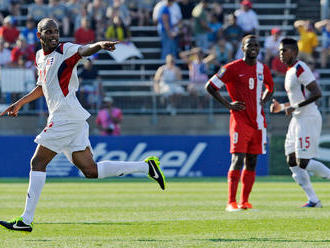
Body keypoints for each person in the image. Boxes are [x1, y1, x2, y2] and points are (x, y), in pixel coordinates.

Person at [0, 18, 166, 233]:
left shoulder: (65, 49)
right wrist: (19, 103)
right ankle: (147, 167)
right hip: (69, 117)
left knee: (37, 162)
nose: (53, 35)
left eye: (56, 31)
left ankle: (26, 220)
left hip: (65, 116)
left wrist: (99, 45)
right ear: (39, 35)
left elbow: (84, 50)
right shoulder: (40, 56)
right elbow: (42, 87)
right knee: (90, 170)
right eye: (48, 32)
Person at [205, 35, 274, 212]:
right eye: (249, 45)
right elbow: (210, 86)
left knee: (252, 162)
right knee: (237, 159)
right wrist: (228, 104)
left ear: (259, 49)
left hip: (258, 122)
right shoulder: (231, 68)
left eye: (256, 45)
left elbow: (271, 87)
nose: (253, 47)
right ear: (242, 48)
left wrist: (263, 100)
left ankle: (245, 202)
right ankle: (231, 202)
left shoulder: (262, 68)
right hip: (240, 121)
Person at [270, 38, 330, 208]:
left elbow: (317, 93)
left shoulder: (300, 68)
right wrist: (281, 107)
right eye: (280, 51)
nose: (281, 54)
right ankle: (313, 200)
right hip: (297, 119)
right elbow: (298, 99)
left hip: (308, 118)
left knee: (303, 161)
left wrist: (294, 106)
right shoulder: (289, 72)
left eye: (285, 51)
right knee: (292, 160)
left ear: (294, 52)